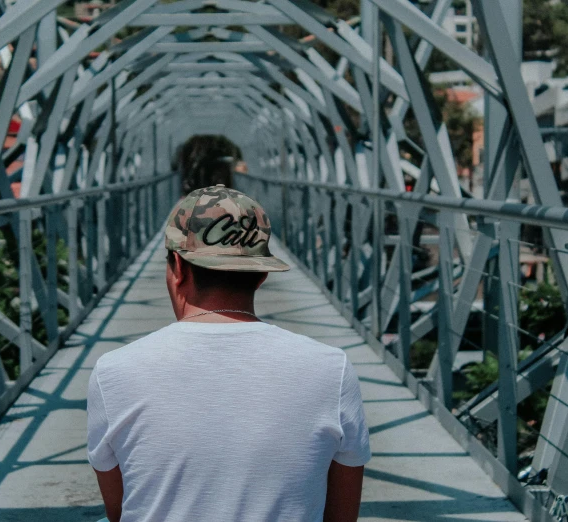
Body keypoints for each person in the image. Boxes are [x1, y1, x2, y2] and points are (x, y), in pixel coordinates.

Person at [87, 184, 370, 522]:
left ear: (177, 266)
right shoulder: (332, 369)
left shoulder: (113, 371)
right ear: (262, 272)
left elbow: (119, 511)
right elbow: (342, 516)